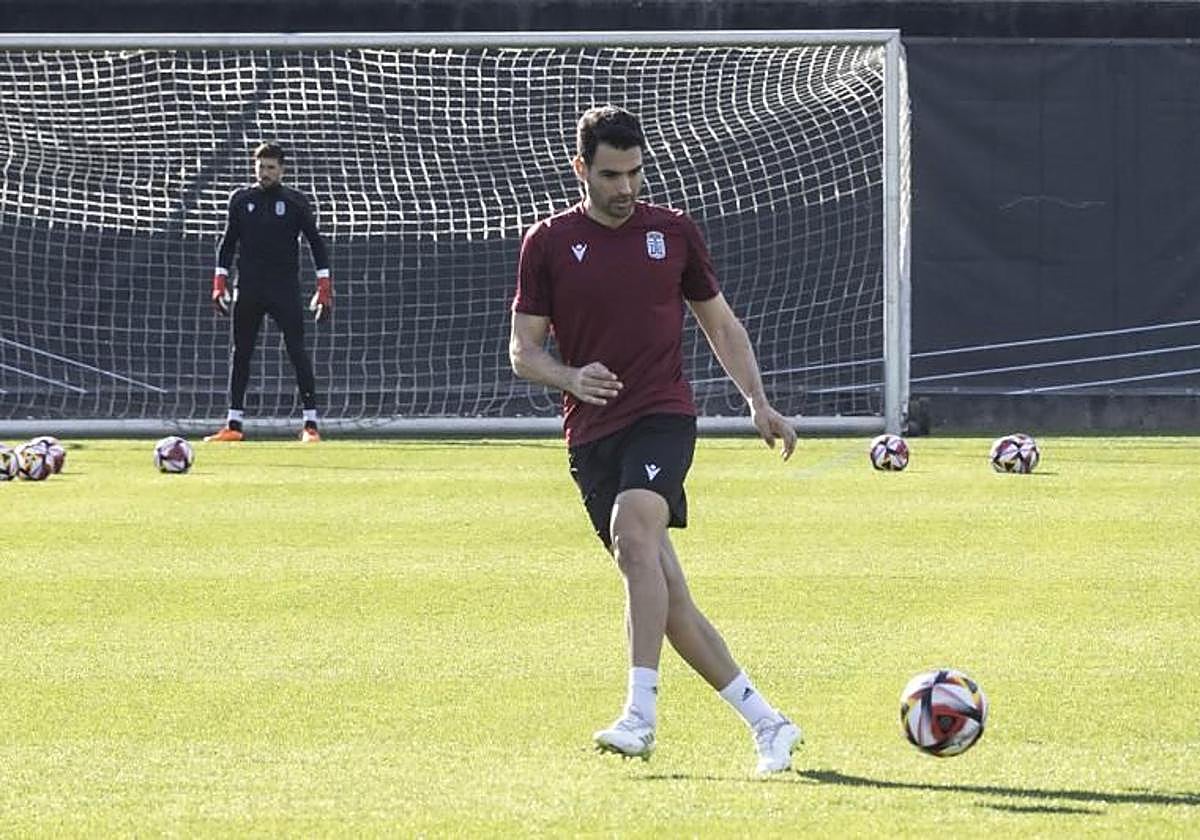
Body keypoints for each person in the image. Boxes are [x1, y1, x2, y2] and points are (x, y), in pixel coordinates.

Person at [509, 105, 802, 775]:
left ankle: (639, 715)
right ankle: (770, 724)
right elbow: (522, 352)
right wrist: (568, 375)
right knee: (668, 601)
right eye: (611, 175)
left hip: (663, 415)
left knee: (634, 531)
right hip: (590, 436)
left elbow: (721, 326)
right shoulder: (548, 243)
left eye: (636, 172)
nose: (626, 188)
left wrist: (759, 403)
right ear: (581, 169)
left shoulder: (673, 233)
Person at [205, 141, 333, 443]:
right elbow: (227, 243)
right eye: (261, 167)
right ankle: (234, 425)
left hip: (284, 288)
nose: (265, 173)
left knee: (296, 350)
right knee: (241, 354)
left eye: (271, 168)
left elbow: (316, 243)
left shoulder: (295, 201)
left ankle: (310, 424)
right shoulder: (240, 199)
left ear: (282, 170)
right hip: (248, 287)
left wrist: (323, 287)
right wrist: (219, 283)